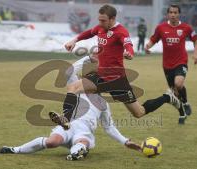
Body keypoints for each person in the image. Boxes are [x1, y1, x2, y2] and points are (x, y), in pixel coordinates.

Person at [50, 4, 181, 129]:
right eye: (99, 20)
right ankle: (66, 119)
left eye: (103, 20)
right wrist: (74, 40)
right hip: (101, 75)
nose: (100, 23)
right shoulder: (101, 27)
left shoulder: (121, 32)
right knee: (73, 87)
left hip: (117, 81)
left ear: (112, 19)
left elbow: (128, 45)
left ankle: (167, 97)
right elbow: (90, 32)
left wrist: (129, 52)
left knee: (139, 113)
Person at [0, 56, 141, 161]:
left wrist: (125, 141)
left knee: (82, 142)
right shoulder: (76, 89)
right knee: (52, 142)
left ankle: (76, 153)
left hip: (84, 132)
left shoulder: (103, 104)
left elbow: (109, 128)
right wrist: (88, 58)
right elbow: (69, 71)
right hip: (68, 127)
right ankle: (15, 149)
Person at [145, 4, 197, 124]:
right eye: (171, 12)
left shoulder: (186, 28)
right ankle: (182, 114)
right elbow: (154, 39)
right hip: (167, 65)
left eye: (175, 13)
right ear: (167, 14)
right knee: (174, 93)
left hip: (181, 62)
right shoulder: (161, 28)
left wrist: (196, 54)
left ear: (179, 14)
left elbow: (195, 40)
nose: (173, 15)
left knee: (178, 84)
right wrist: (148, 46)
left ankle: (185, 102)